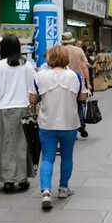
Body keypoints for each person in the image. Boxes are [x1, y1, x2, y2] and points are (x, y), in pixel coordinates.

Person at [29, 46, 87, 210]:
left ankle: (46, 192)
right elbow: (82, 96)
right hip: (69, 123)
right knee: (67, 156)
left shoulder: (39, 76)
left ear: (49, 59)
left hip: (47, 123)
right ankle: (63, 188)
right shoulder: (74, 76)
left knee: (47, 158)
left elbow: (32, 99)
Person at [0, 35, 37, 191]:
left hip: (4, 109)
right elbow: (32, 88)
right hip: (23, 107)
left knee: (5, 144)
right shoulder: (27, 65)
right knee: (23, 144)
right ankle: (22, 179)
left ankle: (8, 180)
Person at [61, 33, 90, 138]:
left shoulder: (60, 51)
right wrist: (89, 83)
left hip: (63, 80)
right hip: (78, 80)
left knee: (67, 105)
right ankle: (81, 124)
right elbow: (85, 67)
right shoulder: (79, 50)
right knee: (80, 104)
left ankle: (71, 128)